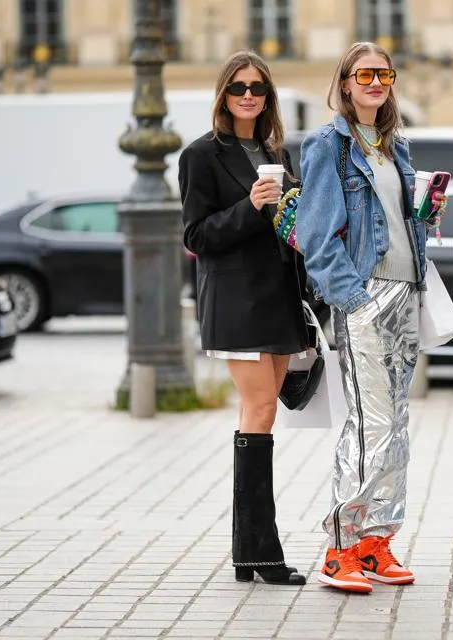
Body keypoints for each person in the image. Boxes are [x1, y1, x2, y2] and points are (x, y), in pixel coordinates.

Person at [296, 42, 432, 594]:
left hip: (406, 291)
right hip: (364, 293)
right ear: (346, 83)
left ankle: (376, 541)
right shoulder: (327, 145)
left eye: (384, 74)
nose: (376, 82)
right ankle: (340, 547)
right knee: (370, 422)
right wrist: (351, 299)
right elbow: (315, 234)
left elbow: (396, 223)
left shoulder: (396, 146)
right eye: (364, 74)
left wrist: (423, 216)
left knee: (396, 423)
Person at [179, 50, 308, 586]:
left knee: (263, 414)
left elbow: (289, 227)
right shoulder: (201, 155)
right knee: (258, 409)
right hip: (235, 301)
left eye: (257, 87)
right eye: (238, 87)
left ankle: (248, 553)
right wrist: (251, 206)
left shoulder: (275, 149)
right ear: (223, 95)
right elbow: (196, 236)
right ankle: (260, 552)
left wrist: (296, 211)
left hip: (279, 296)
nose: (248, 95)